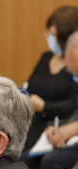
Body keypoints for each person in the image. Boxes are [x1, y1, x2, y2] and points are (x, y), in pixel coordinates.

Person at [22, 5, 78, 151]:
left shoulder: (74, 64)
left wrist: (44, 107)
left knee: (28, 158)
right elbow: (30, 86)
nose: (50, 39)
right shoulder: (46, 57)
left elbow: (72, 105)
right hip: (31, 121)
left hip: (57, 124)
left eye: (55, 35)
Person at [24, 31, 78, 169]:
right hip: (66, 135)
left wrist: (70, 130)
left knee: (53, 162)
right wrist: (58, 130)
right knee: (26, 159)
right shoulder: (46, 57)